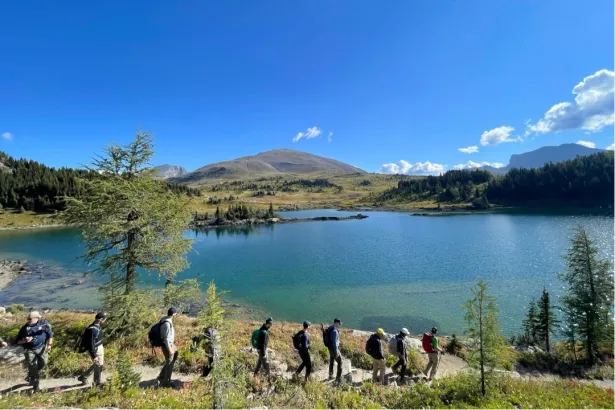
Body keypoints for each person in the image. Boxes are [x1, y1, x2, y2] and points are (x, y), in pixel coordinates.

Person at [16, 311, 54, 393]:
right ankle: (36, 386)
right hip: (29, 350)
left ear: (37, 318)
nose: (28, 321)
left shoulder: (44, 325)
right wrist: (24, 341)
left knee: (44, 363)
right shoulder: (24, 328)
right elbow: (17, 341)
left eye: (30, 319)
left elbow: (50, 335)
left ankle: (30, 375)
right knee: (33, 366)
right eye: (27, 319)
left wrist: (49, 345)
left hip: (42, 347)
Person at [77, 312, 107, 387]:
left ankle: (84, 376)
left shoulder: (95, 326)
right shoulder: (93, 330)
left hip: (98, 347)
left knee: (98, 364)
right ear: (101, 320)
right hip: (95, 349)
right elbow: (91, 343)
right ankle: (97, 383)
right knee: (98, 365)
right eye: (104, 319)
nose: (105, 320)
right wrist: (94, 355)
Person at [157, 307, 178, 387]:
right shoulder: (166, 323)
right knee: (169, 363)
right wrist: (170, 350)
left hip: (171, 343)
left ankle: (162, 376)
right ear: (173, 314)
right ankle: (166, 382)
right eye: (175, 313)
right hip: (167, 345)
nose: (176, 314)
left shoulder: (166, 318)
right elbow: (165, 338)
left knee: (175, 355)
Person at [326, 318, 343, 383]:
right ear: (336, 323)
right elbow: (334, 343)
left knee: (332, 361)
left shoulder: (330, 328)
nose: (339, 325)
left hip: (330, 348)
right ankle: (338, 378)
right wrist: (336, 353)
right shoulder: (334, 331)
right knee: (340, 362)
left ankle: (330, 375)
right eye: (339, 324)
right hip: (334, 349)